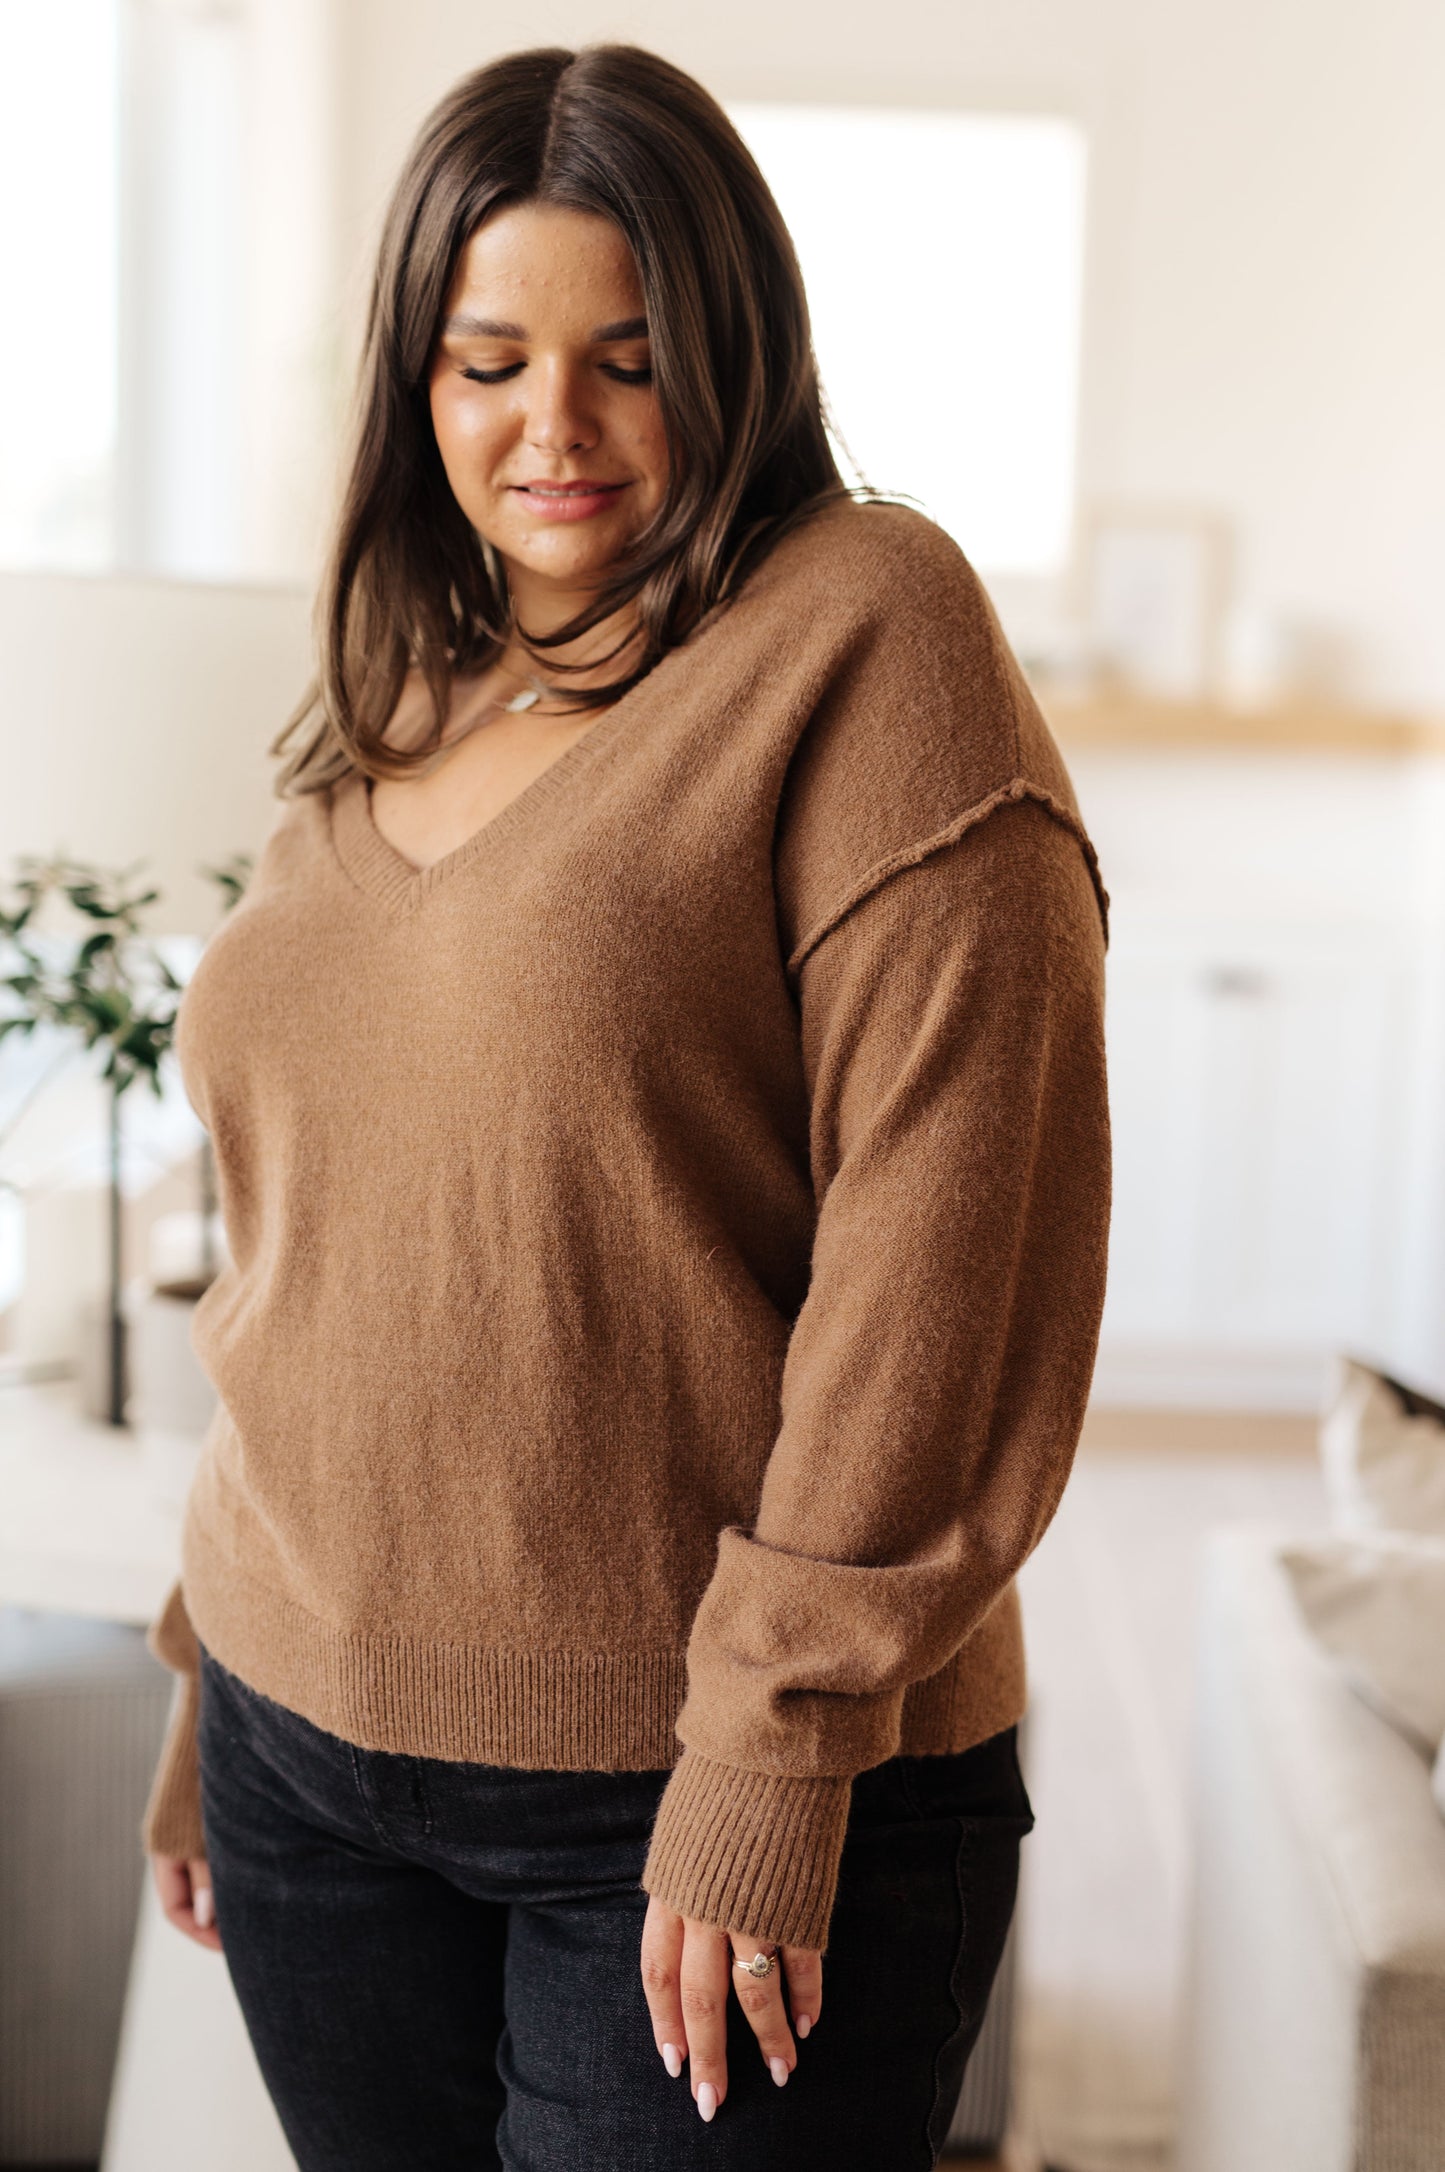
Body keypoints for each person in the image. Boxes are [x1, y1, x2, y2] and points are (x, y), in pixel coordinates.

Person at [140, 40, 1111, 2172]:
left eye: (629, 358)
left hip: (692, 1795)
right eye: (486, 361)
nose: (548, 428)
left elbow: (944, 1244)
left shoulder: (868, 629)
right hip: (310, 1763)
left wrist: (771, 1753)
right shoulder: (407, 665)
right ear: (415, 376)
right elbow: (328, 1221)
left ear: (736, 359)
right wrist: (220, 1660)